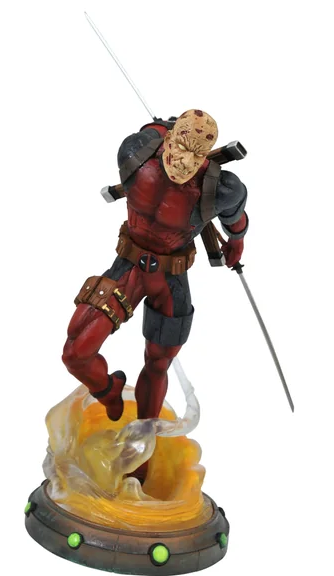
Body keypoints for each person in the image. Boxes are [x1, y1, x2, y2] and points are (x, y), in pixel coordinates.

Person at [62, 110, 249, 476]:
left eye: (195, 155)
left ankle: (141, 458)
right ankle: (110, 392)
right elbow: (150, 128)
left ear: (206, 156)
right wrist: (164, 124)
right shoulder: (135, 153)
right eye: (180, 147)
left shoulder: (222, 189)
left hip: (171, 279)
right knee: (76, 353)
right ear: (168, 139)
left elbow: (237, 221)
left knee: (158, 364)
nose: (184, 162)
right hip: (128, 268)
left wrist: (237, 243)